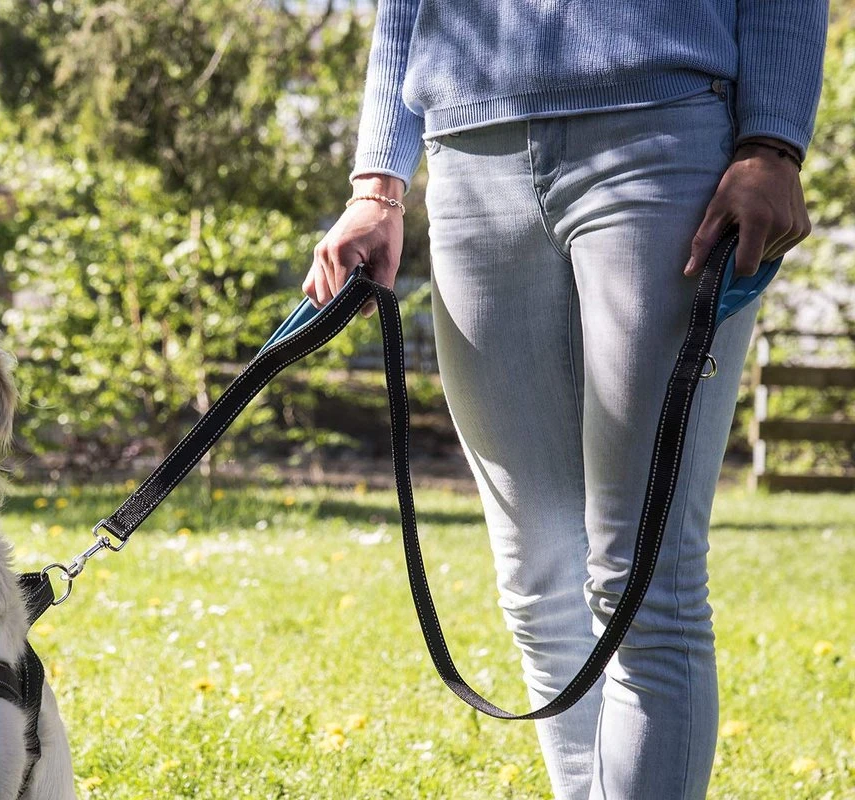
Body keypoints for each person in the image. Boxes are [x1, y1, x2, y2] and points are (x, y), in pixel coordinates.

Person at [302, 3, 828, 799]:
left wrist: (773, 141)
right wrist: (378, 182)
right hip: (469, 153)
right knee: (537, 577)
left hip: (662, 138)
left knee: (645, 580)